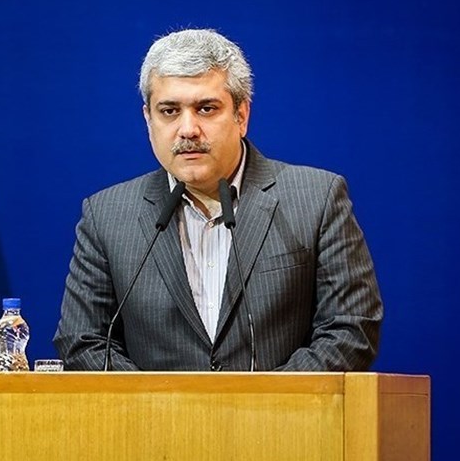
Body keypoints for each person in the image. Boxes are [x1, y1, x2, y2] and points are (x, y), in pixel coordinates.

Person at [53, 28, 383, 371]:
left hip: (281, 406)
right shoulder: (106, 216)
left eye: (206, 108)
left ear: (242, 116)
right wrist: (159, 400)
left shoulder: (316, 198)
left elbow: (351, 328)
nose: (188, 129)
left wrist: (266, 399)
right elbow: (83, 341)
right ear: (148, 119)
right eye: (169, 111)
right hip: (155, 408)